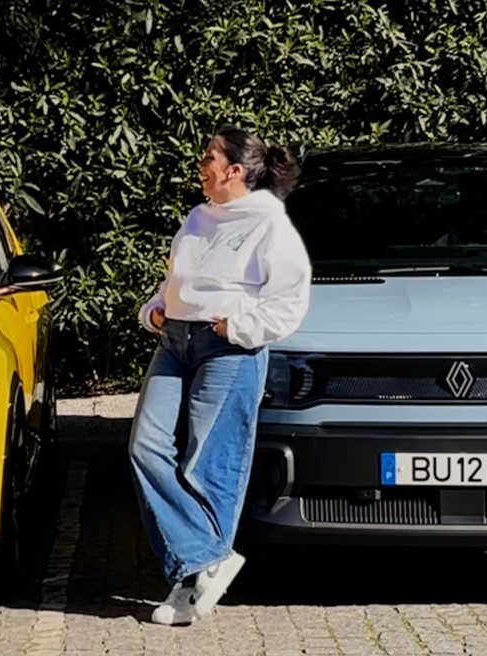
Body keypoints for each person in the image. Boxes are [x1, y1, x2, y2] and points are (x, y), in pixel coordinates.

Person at [130, 126, 312, 626]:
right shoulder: (197, 217)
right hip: (175, 341)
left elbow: (290, 301)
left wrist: (239, 328)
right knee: (145, 446)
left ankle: (189, 583)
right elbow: (177, 281)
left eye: (208, 157)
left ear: (233, 170)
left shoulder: (269, 224)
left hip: (227, 347)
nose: (201, 164)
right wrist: (155, 310)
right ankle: (209, 557)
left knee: (208, 463)